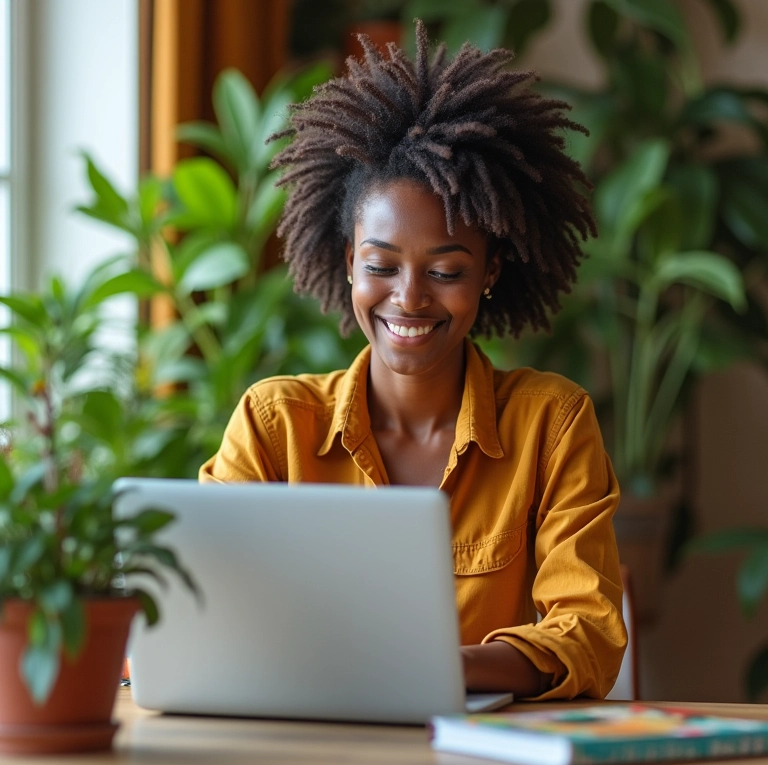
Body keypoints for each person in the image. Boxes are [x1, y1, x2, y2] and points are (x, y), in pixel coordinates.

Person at [200, 21, 627, 700]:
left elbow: (588, 633)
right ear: (347, 263)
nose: (409, 299)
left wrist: (434, 668)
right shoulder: (273, 427)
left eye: (447, 271)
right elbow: (199, 615)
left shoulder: (551, 424)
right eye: (381, 266)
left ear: (490, 271)